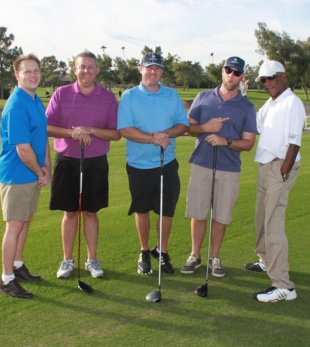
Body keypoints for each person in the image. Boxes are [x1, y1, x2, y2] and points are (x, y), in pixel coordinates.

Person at [180, 57, 257, 278]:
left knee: (221, 216)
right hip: (201, 164)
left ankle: (214, 257)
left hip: (229, 168)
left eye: (236, 72)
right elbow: (188, 129)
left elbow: (249, 143)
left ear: (242, 77)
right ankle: (195, 255)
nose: (231, 75)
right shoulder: (203, 97)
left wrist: (225, 141)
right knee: (198, 213)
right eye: (228, 70)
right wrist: (206, 127)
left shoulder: (247, 107)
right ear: (222, 71)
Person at [46, 51, 120, 280]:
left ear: (97, 70)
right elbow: (46, 126)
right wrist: (73, 133)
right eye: (82, 66)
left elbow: (116, 134)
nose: (86, 70)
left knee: (90, 212)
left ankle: (92, 260)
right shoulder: (61, 93)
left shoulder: (108, 98)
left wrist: (91, 130)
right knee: (70, 213)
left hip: (95, 162)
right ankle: (67, 260)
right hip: (67, 161)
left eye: (90, 66)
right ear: (75, 69)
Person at [118, 52, 189, 275]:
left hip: (167, 163)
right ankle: (144, 250)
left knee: (166, 211)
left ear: (161, 71)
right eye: (148, 67)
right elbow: (125, 130)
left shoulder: (172, 95)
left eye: (157, 68)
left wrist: (165, 133)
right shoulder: (129, 96)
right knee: (142, 210)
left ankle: (161, 250)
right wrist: (154, 138)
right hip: (139, 165)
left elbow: (183, 124)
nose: (152, 71)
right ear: (140, 69)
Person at [245, 60, 306, 303]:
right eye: (264, 80)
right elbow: (254, 124)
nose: (267, 83)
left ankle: (283, 285)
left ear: (283, 76)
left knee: (272, 223)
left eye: (271, 78)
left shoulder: (292, 102)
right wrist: (242, 97)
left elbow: (294, 143)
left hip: (280, 166)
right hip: (265, 165)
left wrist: (283, 173)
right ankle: (266, 260)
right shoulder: (271, 103)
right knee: (260, 218)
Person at [0, 54, 51, 299]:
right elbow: (23, 149)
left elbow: (42, 136)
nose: (33, 75)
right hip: (17, 175)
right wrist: (41, 172)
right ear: (17, 74)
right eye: (27, 71)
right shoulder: (16, 105)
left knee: (26, 219)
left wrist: (47, 165)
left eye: (36, 70)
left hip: (32, 173)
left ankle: (17, 265)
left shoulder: (35, 99)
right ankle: (6, 279)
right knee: (15, 225)